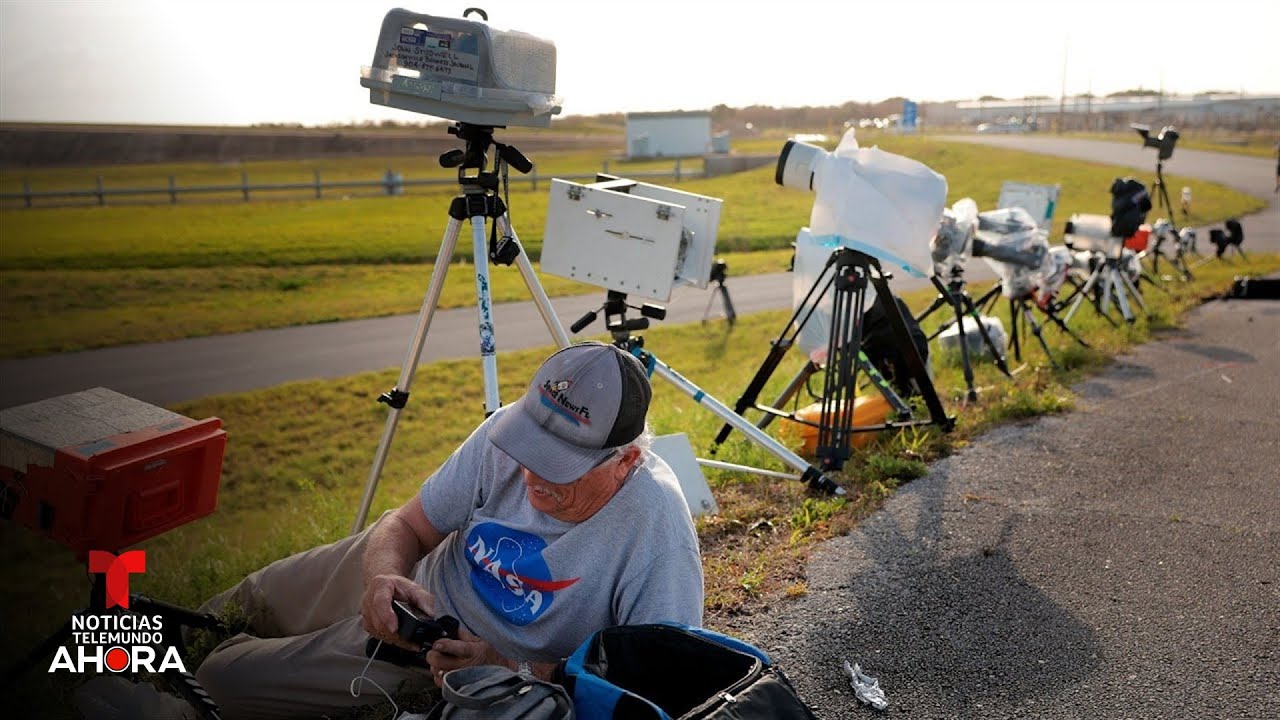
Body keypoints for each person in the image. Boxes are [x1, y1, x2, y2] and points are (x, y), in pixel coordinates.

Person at [194, 342, 704, 719]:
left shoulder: (655, 524)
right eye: (529, 451)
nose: (532, 476)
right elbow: (408, 524)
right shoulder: (506, 432)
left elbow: (651, 679)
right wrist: (383, 576)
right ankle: (137, 643)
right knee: (249, 601)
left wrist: (510, 667)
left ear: (627, 460)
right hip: (409, 586)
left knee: (220, 681)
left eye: (559, 466)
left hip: (439, 656)